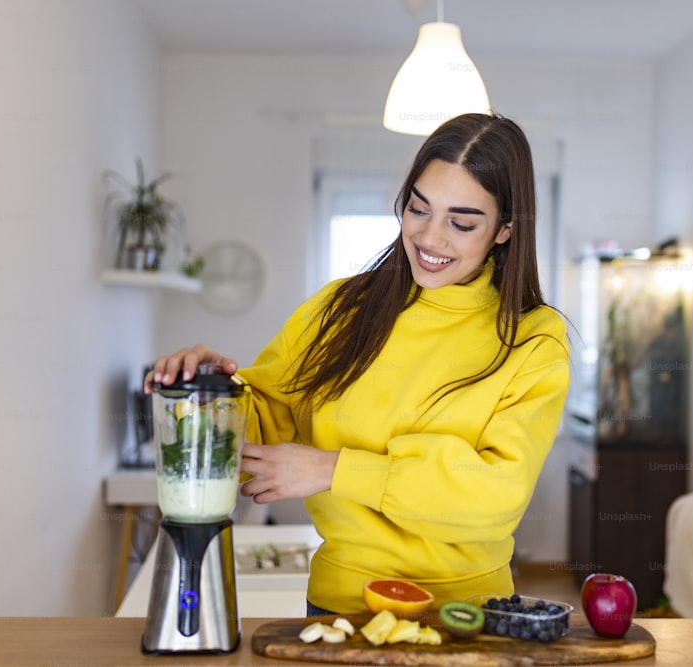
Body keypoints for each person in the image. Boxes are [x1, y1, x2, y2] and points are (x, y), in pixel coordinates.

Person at [145, 112, 571, 616]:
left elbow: (495, 497)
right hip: (339, 608)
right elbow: (260, 425)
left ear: (504, 229)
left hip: (471, 615)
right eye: (418, 209)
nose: (431, 238)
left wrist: (336, 470)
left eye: (461, 222)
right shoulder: (338, 309)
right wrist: (213, 389)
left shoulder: (533, 339)